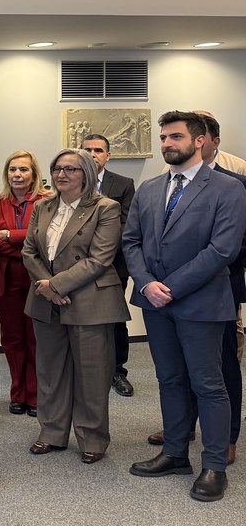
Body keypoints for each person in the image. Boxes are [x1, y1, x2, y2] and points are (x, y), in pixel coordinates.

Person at [124, 111, 246, 502]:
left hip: (202, 302)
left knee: (208, 384)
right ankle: (175, 453)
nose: (166, 143)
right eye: (163, 137)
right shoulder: (149, 189)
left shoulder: (228, 188)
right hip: (154, 302)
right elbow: (131, 242)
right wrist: (147, 284)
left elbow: (223, 249)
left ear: (199, 140)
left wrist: (171, 288)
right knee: (169, 378)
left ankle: (214, 465)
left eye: (175, 136)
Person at [21, 149, 130, 464]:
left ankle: (92, 438)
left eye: (70, 169)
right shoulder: (43, 206)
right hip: (46, 300)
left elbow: (100, 258)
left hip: (89, 300)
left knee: (91, 374)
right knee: (51, 371)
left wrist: (56, 285)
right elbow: (29, 251)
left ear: (87, 173)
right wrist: (47, 286)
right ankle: (52, 432)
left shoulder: (105, 207)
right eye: (57, 168)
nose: (61, 174)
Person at [0, 151, 49, 418]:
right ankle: (18, 393)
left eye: (23, 169)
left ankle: (35, 395)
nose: (17, 174)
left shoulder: (47, 201)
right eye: (12, 169)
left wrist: (10, 235)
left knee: (36, 337)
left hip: (38, 278)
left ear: (33, 174)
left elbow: (45, 237)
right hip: (6, 277)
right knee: (12, 338)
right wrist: (25, 248)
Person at [81, 133, 137, 398]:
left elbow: (126, 224)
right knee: (80, 317)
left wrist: (99, 251)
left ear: (108, 155)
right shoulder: (70, 180)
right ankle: (85, 370)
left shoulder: (123, 184)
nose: (93, 155)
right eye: (87, 150)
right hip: (76, 264)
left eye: (98, 150)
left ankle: (117, 371)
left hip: (113, 264)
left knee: (114, 319)